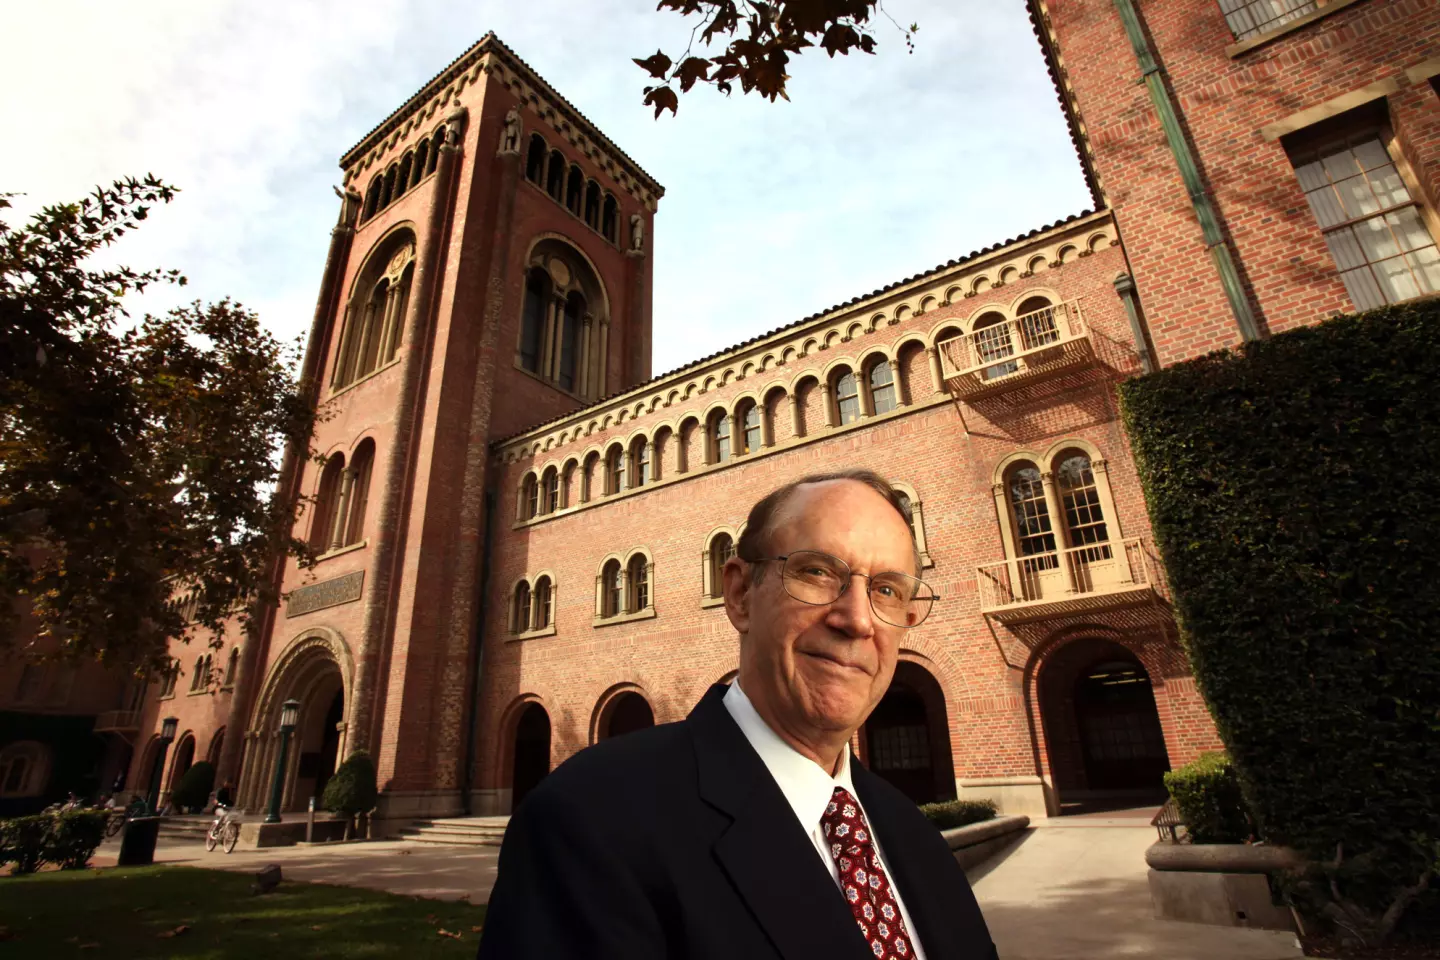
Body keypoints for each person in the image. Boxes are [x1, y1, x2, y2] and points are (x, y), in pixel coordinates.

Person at [478, 469, 997, 960]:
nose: (858, 619)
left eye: (886, 589)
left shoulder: (912, 834)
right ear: (740, 594)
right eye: (818, 572)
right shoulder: (592, 819)